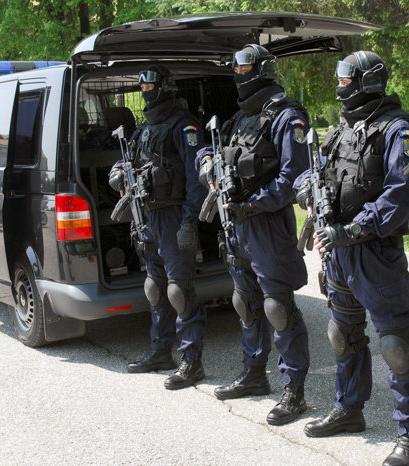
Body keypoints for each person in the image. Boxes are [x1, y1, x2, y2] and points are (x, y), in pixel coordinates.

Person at [296, 51, 409, 466]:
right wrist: (306, 189)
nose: (340, 86)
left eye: (346, 79)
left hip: (375, 252)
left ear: (366, 82)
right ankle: (349, 408)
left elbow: (401, 193)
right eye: (339, 79)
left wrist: (355, 228)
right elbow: (315, 169)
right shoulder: (343, 129)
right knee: (343, 334)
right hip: (337, 251)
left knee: (396, 345)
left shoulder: (399, 129)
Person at [196, 44, 310, 425]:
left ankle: (294, 390)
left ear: (262, 70)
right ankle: (254, 374)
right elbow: (208, 150)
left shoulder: (286, 116)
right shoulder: (239, 118)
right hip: (237, 224)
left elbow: (295, 178)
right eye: (236, 67)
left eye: (245, 66)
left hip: (267, 224)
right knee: (245, 302)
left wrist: (253, 204)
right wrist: (206, 163)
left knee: (278, 308)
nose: (238, 72)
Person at [109, 65, 208, 390]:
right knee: (155, 286)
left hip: (174, 216)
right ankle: (160, 351)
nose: (145, 91)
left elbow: (196, 179)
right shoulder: (144, 128)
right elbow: (128, 159)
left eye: (150, 85)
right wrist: (118, 171)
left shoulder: (184, 126)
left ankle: (191, 361)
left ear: (165, 86)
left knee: (179, 290)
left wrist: (189, 221)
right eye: (142, 86)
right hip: (147, 216)